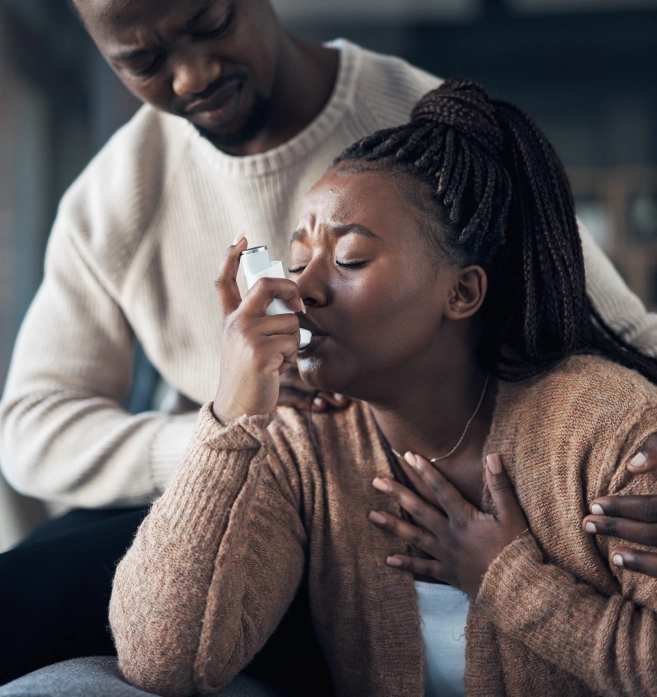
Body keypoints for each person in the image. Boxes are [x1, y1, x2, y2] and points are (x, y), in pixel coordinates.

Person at [1, 0, 657, 685]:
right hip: (251, 486)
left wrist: (510, 575)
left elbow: (617, 330)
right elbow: (33, 427)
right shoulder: (112, 197)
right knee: (27, 597)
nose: (191, 76)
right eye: (142, 61)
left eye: (209, 24)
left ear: (463, 290)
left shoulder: (434, 124)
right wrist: (234, 414)